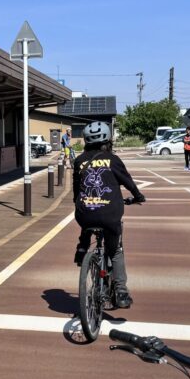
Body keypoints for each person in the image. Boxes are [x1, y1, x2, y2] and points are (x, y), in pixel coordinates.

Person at [72, 121, 145, 309]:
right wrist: (137, 196)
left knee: (88, 218)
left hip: (84, 213)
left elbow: (76, 190)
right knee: (115, 251)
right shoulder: (113, 159)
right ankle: (120, 291)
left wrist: (82, 202)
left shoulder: (79, 161)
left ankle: (82, 249)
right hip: (110, 213)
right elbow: (127, 181)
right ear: (107, 141)